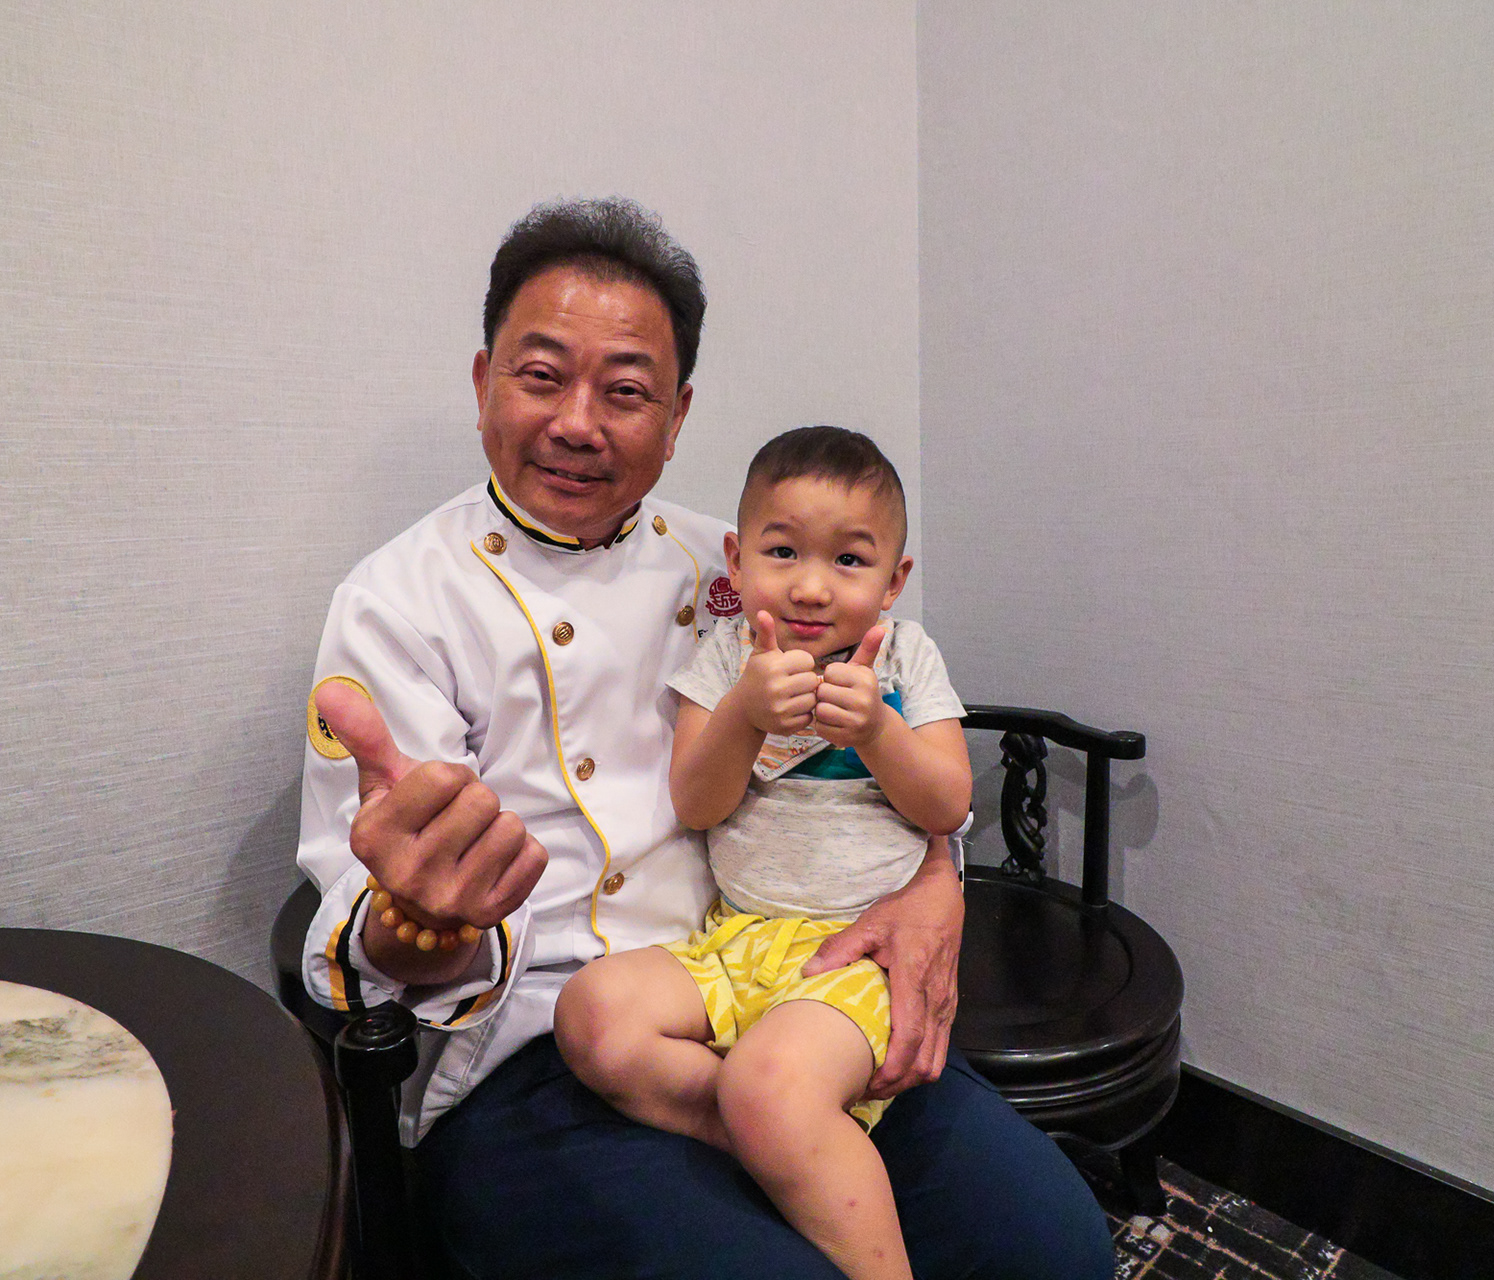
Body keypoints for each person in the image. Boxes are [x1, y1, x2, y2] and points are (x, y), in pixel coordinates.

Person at [297, 196, 1115, 1278]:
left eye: (626, 391)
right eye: (541, 376)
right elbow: (368, 936)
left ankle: (788, 1123)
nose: (578, 422)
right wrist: (424, 921)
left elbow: (892, 756)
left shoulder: (748, 565)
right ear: (485, 378)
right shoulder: (397, 602)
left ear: (678, 415)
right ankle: (778, 1129)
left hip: (796, 977)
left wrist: (936, 883)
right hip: (536, 1061)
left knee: (1055, 1246)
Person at [554, 425, 972, 1280]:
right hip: (735, 939)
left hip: (858, 954)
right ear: (738, 563)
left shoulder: (907, 657)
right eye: (783, 552)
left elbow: (948, 805)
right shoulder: (727, 661)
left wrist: (880, 731)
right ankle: (780, 1133)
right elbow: (697, 804)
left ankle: (811, 1164)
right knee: (591, 1016)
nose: (811, 585)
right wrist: (744, 713)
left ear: (894, 581)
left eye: (849, 561)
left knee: (769, 1083)